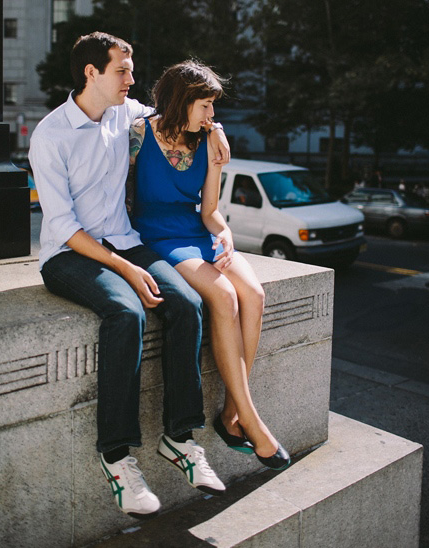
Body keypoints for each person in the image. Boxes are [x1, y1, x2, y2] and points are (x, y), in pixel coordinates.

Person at [29, 33, 231, 519]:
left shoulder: (127, 113)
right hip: (69, 254)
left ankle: (179, 438)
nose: (132, 78)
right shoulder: (50, 136)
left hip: (125, 239)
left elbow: (178, 111)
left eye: (132, 68)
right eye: (122, 69)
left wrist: (216, 128)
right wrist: (126, 268)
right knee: (125, 311)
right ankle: (117, 456)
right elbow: (64, 228)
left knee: (186, 303)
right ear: (91, 73)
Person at [127, 60, 290, 471]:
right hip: (155, 235)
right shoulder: (139, 134)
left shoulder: (208, 142)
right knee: (223, 296)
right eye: (205, 106)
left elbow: (211, 211)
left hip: (197, 231)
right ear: (182, 101)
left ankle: (232, 413)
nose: (212, 116)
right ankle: (248, 421)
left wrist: (226, 234)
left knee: (253, 293)